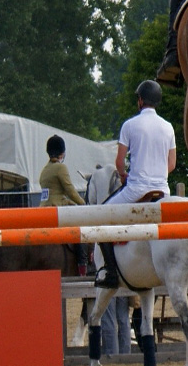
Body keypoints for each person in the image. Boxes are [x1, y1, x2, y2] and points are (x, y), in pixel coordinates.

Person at [94, 79, 176, 288]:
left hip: (136, 190)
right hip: (163, 191)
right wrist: (156, 175)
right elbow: (172, 163)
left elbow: (119, 162)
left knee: (101, 216)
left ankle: (110, 272)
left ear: (140, 100)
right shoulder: (168, 127)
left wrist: (123, 176)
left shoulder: (129, 125)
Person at [39, 135, 87, 275]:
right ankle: (82, 264)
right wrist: (84, 204)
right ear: (62, 152)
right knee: (82, 230)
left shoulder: (45, 170)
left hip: (43, 209)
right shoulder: (61, 167)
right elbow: (70, 191)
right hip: (58, 208)